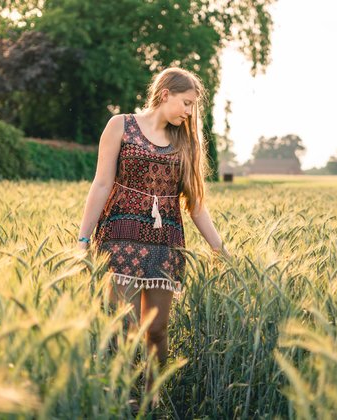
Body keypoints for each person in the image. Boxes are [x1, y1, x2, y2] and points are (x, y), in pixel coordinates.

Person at [76, 66, 230, 412]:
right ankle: (127, 397)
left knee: (157, 330)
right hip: (119, 236)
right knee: (127, 327)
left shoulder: (185, 141)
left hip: (166, 243)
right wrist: (83, 238)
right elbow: (101, 184)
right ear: (165, 95)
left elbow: (196, 204)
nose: (189, 112)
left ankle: (154, 395)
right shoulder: (120, 126)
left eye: (193, 106)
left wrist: (220, 248)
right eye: (186, 103)